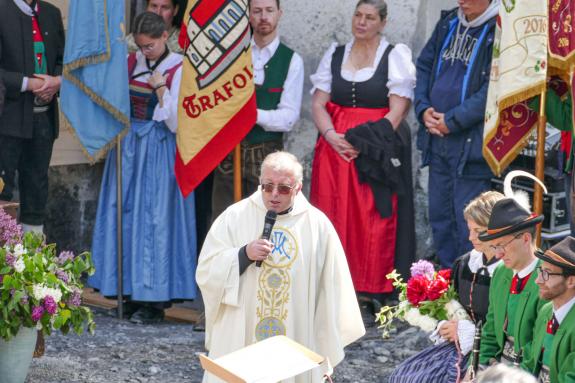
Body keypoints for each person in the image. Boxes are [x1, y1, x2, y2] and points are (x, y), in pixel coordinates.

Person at [197, 151, 365, 383]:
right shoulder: (235, 217)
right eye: (267, 186)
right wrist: (243, 254)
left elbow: (333, 290)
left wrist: (325, 350)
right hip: (241, 332)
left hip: (297, 332)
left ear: (298, 187)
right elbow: (207, 270)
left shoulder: (318, 226)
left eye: (284, 188)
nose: (274, 194)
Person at [89, 12, 197, 324]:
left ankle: (154, 300)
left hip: (160, 150)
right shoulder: (129, 63)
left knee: (155, 221)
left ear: (165, 36)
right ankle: (126, 291)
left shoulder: (180, 68)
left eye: (149, 46)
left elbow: (178, 123)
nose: (144, 51)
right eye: (140, 46)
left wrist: (161, 88)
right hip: (129, 148)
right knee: (124, 215)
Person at [309, 0, 416, 306]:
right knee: (336, 213)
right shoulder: (336, 53)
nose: (361, 22)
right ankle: (334, 286)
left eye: (369, 17)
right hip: (335, 148)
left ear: (382, 23)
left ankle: (373, 288)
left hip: (376, 147)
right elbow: (318, 103)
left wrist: (368, 141)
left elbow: (398, 109)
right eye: (358, 15)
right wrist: (331, 135)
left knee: (374, 216)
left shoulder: (395, 55)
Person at [414, 0, 500, 268]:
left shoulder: (500, 28)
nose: (460, 1)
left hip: (471, 145)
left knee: (470, 225)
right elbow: (425, 65)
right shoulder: (449, 22)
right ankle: (446, 292)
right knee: (440, 216)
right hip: (438, 139)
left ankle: (469, 290)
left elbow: (494, 87)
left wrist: (453, 120)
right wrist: (423, 108)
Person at [389, 191, 504, 383]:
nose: (470, 237)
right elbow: (453, 307)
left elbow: (504, 329)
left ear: (496, 230)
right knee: (403, 376)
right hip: (458, 347)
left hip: (490, 353)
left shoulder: (506, 271)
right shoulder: (465, 264)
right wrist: (444, 325)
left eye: (477, 231)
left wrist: (468, 332)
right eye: (470, 230)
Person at [210, 0, 304, 219]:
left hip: (267, 154)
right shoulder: (233, 55)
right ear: (249, 16)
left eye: (269, 11)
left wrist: (251, 115)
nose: (264, 17)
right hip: (228, 152)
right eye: (257, 11)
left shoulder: (292, 60)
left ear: (279, 13)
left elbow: (289, 117)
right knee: (223, 221)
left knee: (265, 223)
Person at [0, 0, 65, 234]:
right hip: (7, 123)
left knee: (37, 192)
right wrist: (30, 84)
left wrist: (56, 82)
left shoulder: (52, 13)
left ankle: (33, 264)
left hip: (43, 121)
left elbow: (64, 61)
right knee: (2, 193)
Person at [476, 182, 547, 368]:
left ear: (525, 239)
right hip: (498, 366)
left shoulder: (548, 280)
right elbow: (490, 331)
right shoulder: (501, 273)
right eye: (494, 247)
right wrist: (475, 367)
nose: (498, 254)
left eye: (502, 245)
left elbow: (539, 349)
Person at [521, 236, 575, 382]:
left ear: (571, 281)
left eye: (547, 274)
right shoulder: (546, 311)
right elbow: (530, 362)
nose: (538, 280)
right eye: (540, 271)